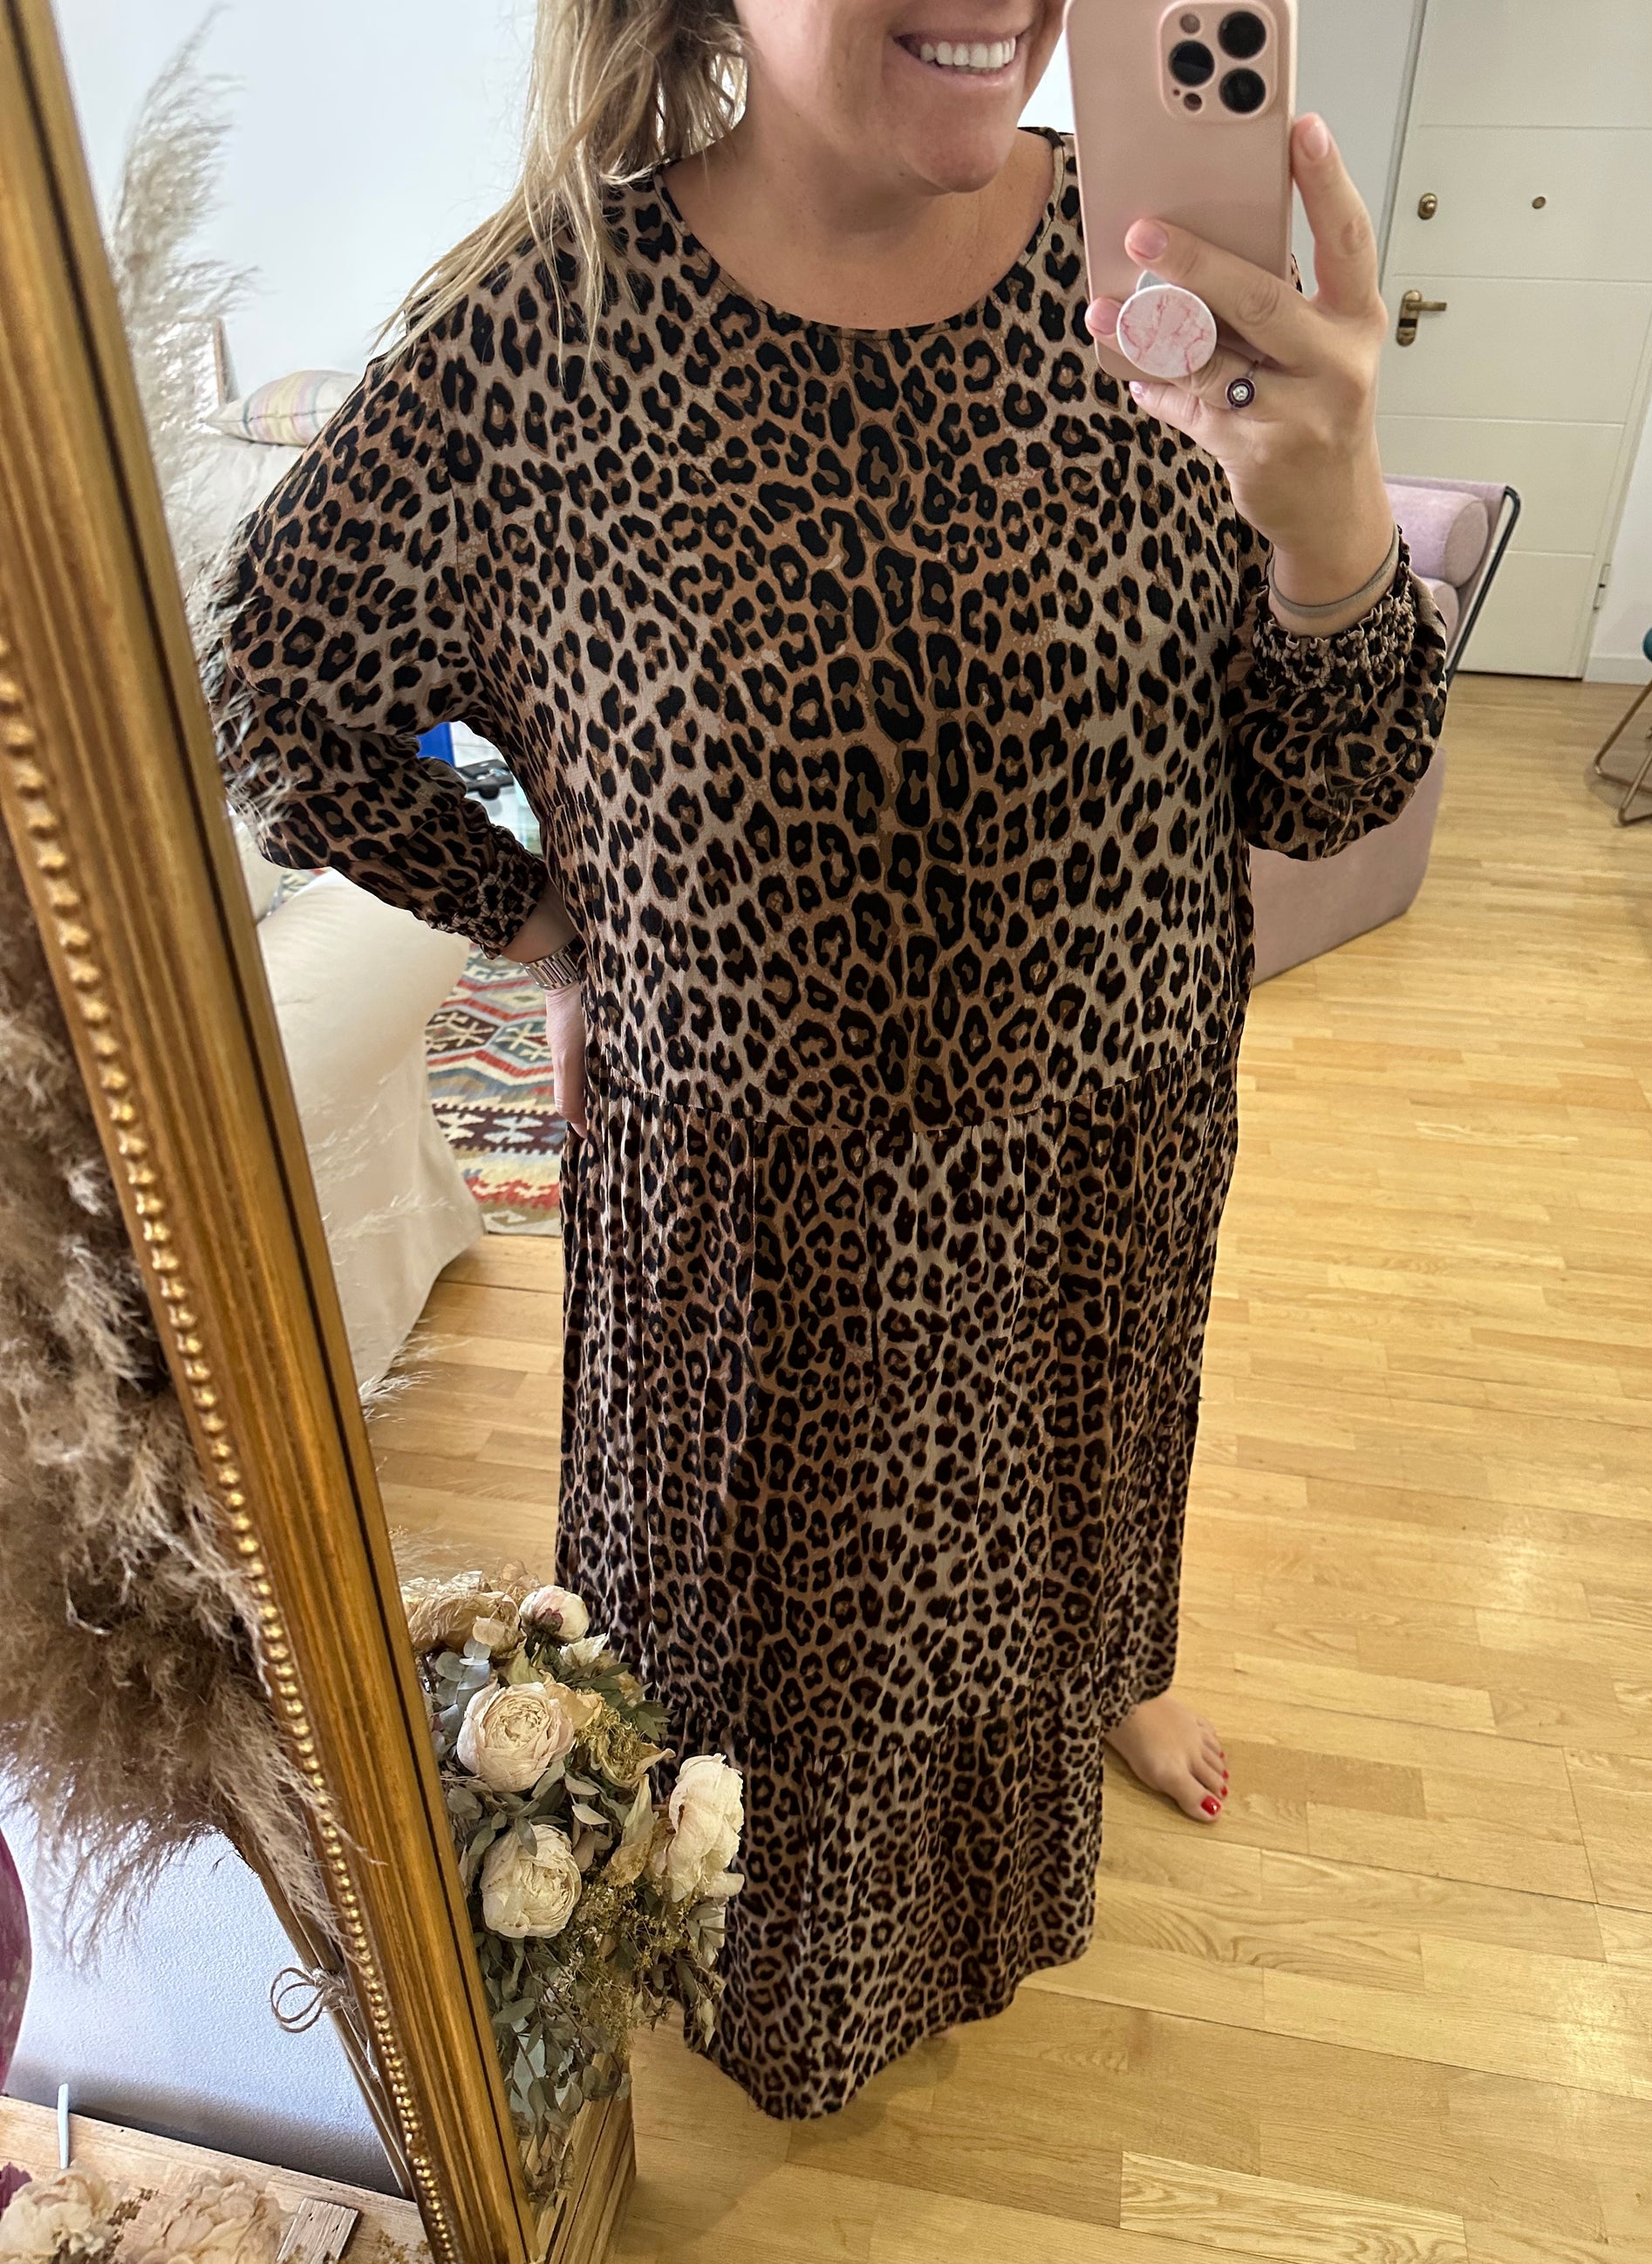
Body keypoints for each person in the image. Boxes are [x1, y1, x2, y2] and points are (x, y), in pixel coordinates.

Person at [205, 0, 1445, 2122]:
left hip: (1099, 1172)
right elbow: (281, 695)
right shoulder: (544, 340)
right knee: (761, 1672)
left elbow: (1327, 789)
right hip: (750, 1243)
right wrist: (550, 926)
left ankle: (1107, 1685)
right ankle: (782, 1982)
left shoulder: (1161, 284)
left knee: (1063, 1560)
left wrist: (1332, 532)